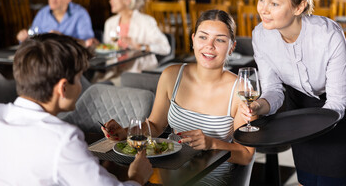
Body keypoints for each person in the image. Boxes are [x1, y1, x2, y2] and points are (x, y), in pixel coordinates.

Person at [101, 10, 256, 186]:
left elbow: (246, 155)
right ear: (193, 39)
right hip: (167, 176)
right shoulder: (171, 75)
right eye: (203, 37)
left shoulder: (241, 90)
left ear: (232, 46)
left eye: (220, 40)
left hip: (210, 180)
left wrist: (211, 143)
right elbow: (155, 126)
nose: (209, 45)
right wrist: (125, 133)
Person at [241, 0, 346, 185]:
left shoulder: (328, 35)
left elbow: (337, 102)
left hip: (342, 101)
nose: (263, 10)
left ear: (299, 7)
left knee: (333, 176)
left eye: (274, 3)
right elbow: (274, 90)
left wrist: (309, 126)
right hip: (303, 102)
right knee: (307, 176)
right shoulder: (260, 36)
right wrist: (259, 105)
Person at [0, 33, 153, 185]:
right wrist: (137, 176)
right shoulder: (62, 140)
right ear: (63, 88)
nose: (81, 86)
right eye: (80, 78)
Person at [102, 0, 171, 74]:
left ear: (128, 0)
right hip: (113, 71)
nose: (110, 0)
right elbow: (107, 50)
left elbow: (165, 48)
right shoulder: (110, 23)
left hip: (138, 72)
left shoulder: (146, 21)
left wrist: (140, 46)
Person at [16, 0, 97, 47]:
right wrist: (24, 38)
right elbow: (33, 38)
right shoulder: (42, 13)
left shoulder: (80, 13)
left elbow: (88, 43)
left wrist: (62, 38)